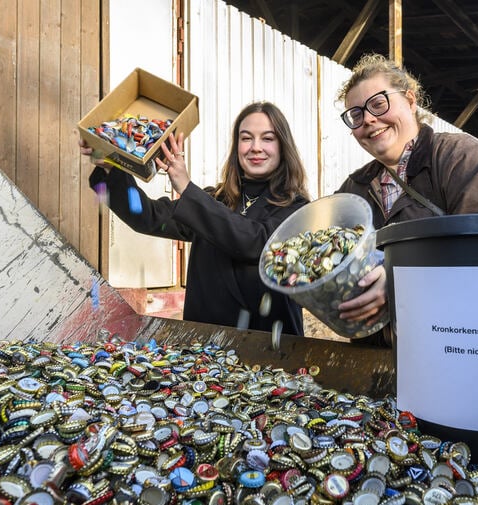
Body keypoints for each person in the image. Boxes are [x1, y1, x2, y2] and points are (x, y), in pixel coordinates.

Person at [334, 53, 478, 333]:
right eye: (356, 114)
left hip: (458, 345)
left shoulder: (460, 158)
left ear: (410, 102)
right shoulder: (354, 189)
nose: (368, 120)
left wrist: (402, 284)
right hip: (378, 357)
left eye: (378, 104)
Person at [81, 102, 310, 335]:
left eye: (268, 138)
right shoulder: (216, 200)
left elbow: (256, 243)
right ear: (237, 147)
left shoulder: (298, 209)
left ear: (283, 146)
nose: (256, 147)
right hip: (206, 348)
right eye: (246, 138)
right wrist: (112, 167)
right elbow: (147, 216)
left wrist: (187, 189)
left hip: (270, 350)